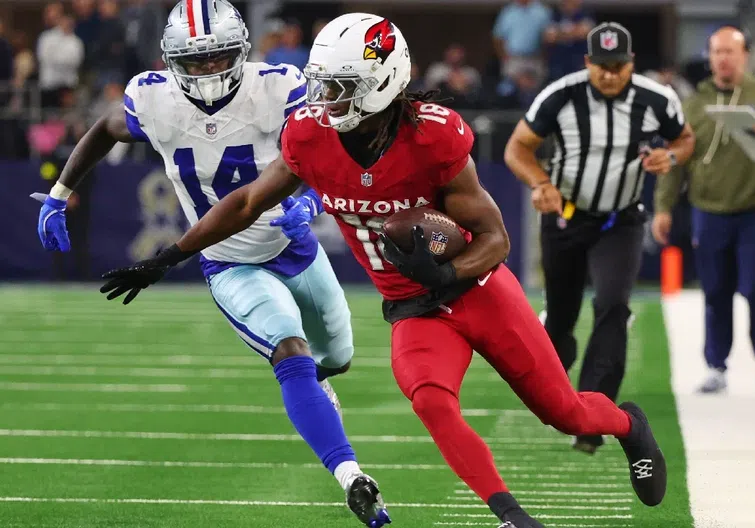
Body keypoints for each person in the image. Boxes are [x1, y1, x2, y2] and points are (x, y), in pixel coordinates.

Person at [96, 13, 669, 528]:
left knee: (564, 412)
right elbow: (246, 202)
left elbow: (496, 239)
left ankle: (628, 425)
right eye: (322, 85)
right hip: (413, 307)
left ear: (382, 82)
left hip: (478, 288)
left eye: (340, 87)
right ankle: (511, 516)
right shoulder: (311, 135)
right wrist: (171, 255)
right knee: (431, 402)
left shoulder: (433, 135)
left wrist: (446, 274)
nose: (325, 100)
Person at [31, 2, 389, 526]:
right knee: (290, 352)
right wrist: (60, 193)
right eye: (194, 60)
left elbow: (333, 151)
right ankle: (351, 476)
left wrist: (311, 202)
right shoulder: (152, 98)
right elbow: (105, 128)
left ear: (241, 50)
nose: (207, 69)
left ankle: (316, 385)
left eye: (218, 56)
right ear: (170, 60)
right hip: (229, 262)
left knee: (337, 357)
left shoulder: (278, 86)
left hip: (296, 249)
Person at [504, 22, 695, 454]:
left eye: (618, 66)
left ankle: (593, 413)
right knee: (562, 318)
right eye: (601, 66)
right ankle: (557, 378)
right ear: (587, 62)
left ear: (632, 63)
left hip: (620, 220)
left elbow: (685, 139)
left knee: (612, 305)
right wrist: (540, 183)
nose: (609, 75)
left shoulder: (656, 98)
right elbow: (517, 148)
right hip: (566, 216)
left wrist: (670, 155)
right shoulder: (561, 95)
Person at [653, 26, 755, 395]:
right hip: (708, 210)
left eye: (730, 51)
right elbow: (675, 158)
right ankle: (716, 366)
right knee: (715, 290)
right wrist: (663, 207)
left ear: (744, 55)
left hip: (754, 211)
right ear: (709, 57)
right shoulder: (693, 105)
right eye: (717, 52)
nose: (723, 59)